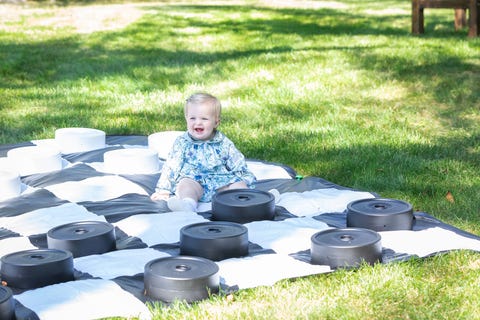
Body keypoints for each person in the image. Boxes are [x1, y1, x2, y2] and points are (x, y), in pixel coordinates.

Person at [150, 92, 256, 212]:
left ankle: (250, 203)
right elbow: (171, 166)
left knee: (238, 185)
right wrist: (164, 190)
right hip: (194, 180)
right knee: (185, 186)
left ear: (216, 122)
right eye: (192, 118)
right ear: (186, 119)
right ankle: (188, 205)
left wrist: (244, 179)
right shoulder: (183, 142)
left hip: (221, 182)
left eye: (204, 119)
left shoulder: (223, 142)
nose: (198, 122)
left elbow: (237, 162)